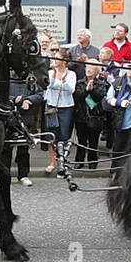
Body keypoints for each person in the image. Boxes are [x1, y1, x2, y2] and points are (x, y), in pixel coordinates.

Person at [42, 46, 76, 174]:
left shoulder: (71, 74)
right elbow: (48, 85)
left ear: (64, 60)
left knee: (63, 135)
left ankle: (63, 162)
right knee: (51, 135)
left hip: (65, 107)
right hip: (51, 106)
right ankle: (52, 162)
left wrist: (62, 80)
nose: (54, 60)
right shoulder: (50, 73)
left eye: (58, 58)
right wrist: (57, 77)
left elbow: (70, 89)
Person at [73, 61, 111, 170]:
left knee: (93, 141)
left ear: (96, 71)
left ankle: (93, 162)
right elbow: (77, 97)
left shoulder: (101, 83)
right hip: (81, 115)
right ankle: (79, 161)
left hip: (96, 116)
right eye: (87, 67)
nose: (89, 70)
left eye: (92, 68)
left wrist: (92, 89)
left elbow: (99, 96)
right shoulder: (80, 82)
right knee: (81, 140)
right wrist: (86, 90)